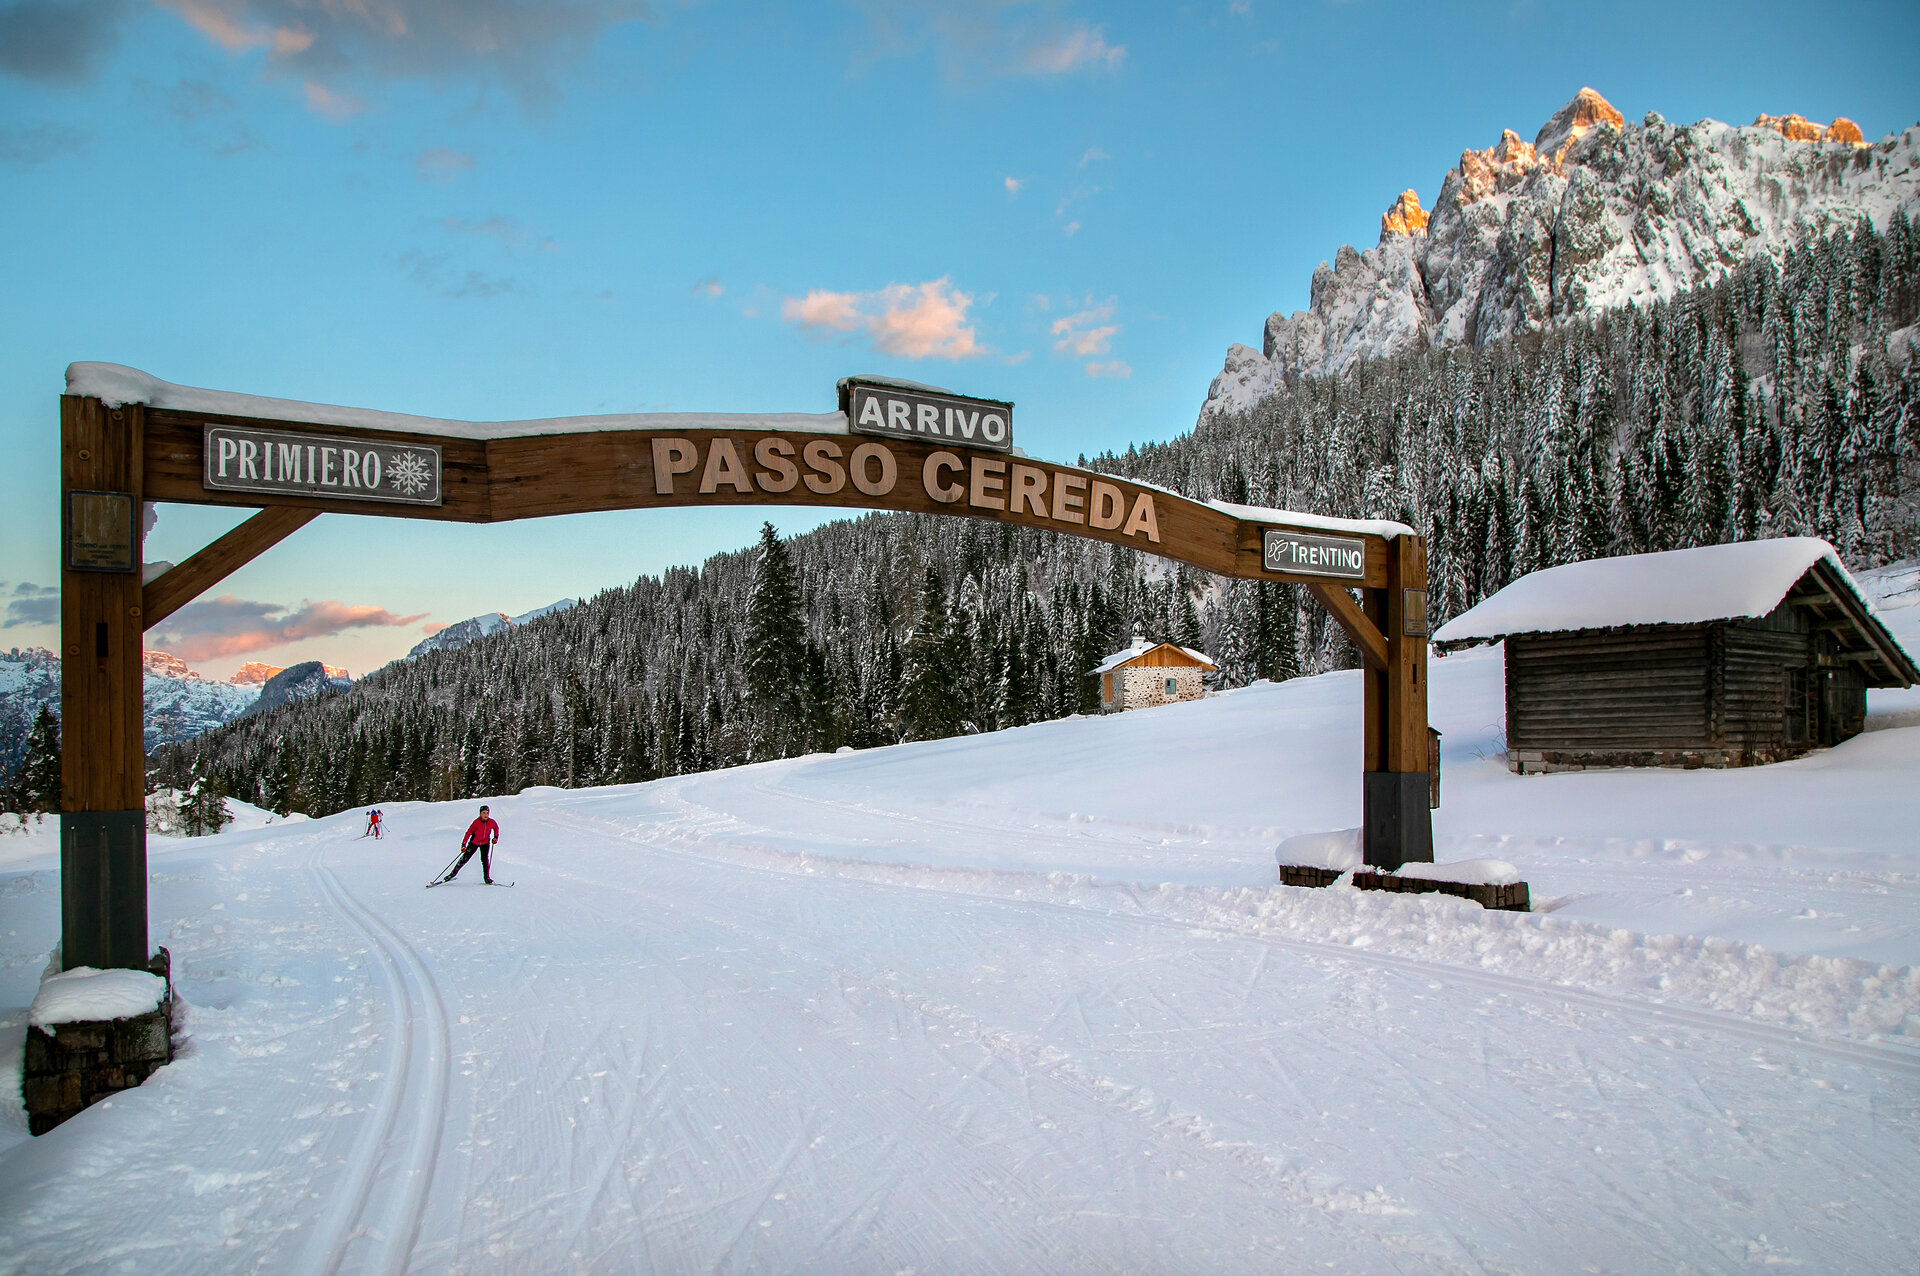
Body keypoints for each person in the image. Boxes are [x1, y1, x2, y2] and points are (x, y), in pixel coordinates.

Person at [443, 804, 500, 885]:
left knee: (484, 860)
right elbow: (468, 833)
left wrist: (495, 837)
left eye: (487, 813)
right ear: (480, 814)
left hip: (485, 843)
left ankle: (487, 878)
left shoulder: (492, 822)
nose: (485, 815)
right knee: (465, 859)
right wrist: (463, 845)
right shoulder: (476, 822)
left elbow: (496, 828)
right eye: (483, 813)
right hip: (474, 843)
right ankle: (452, 874)